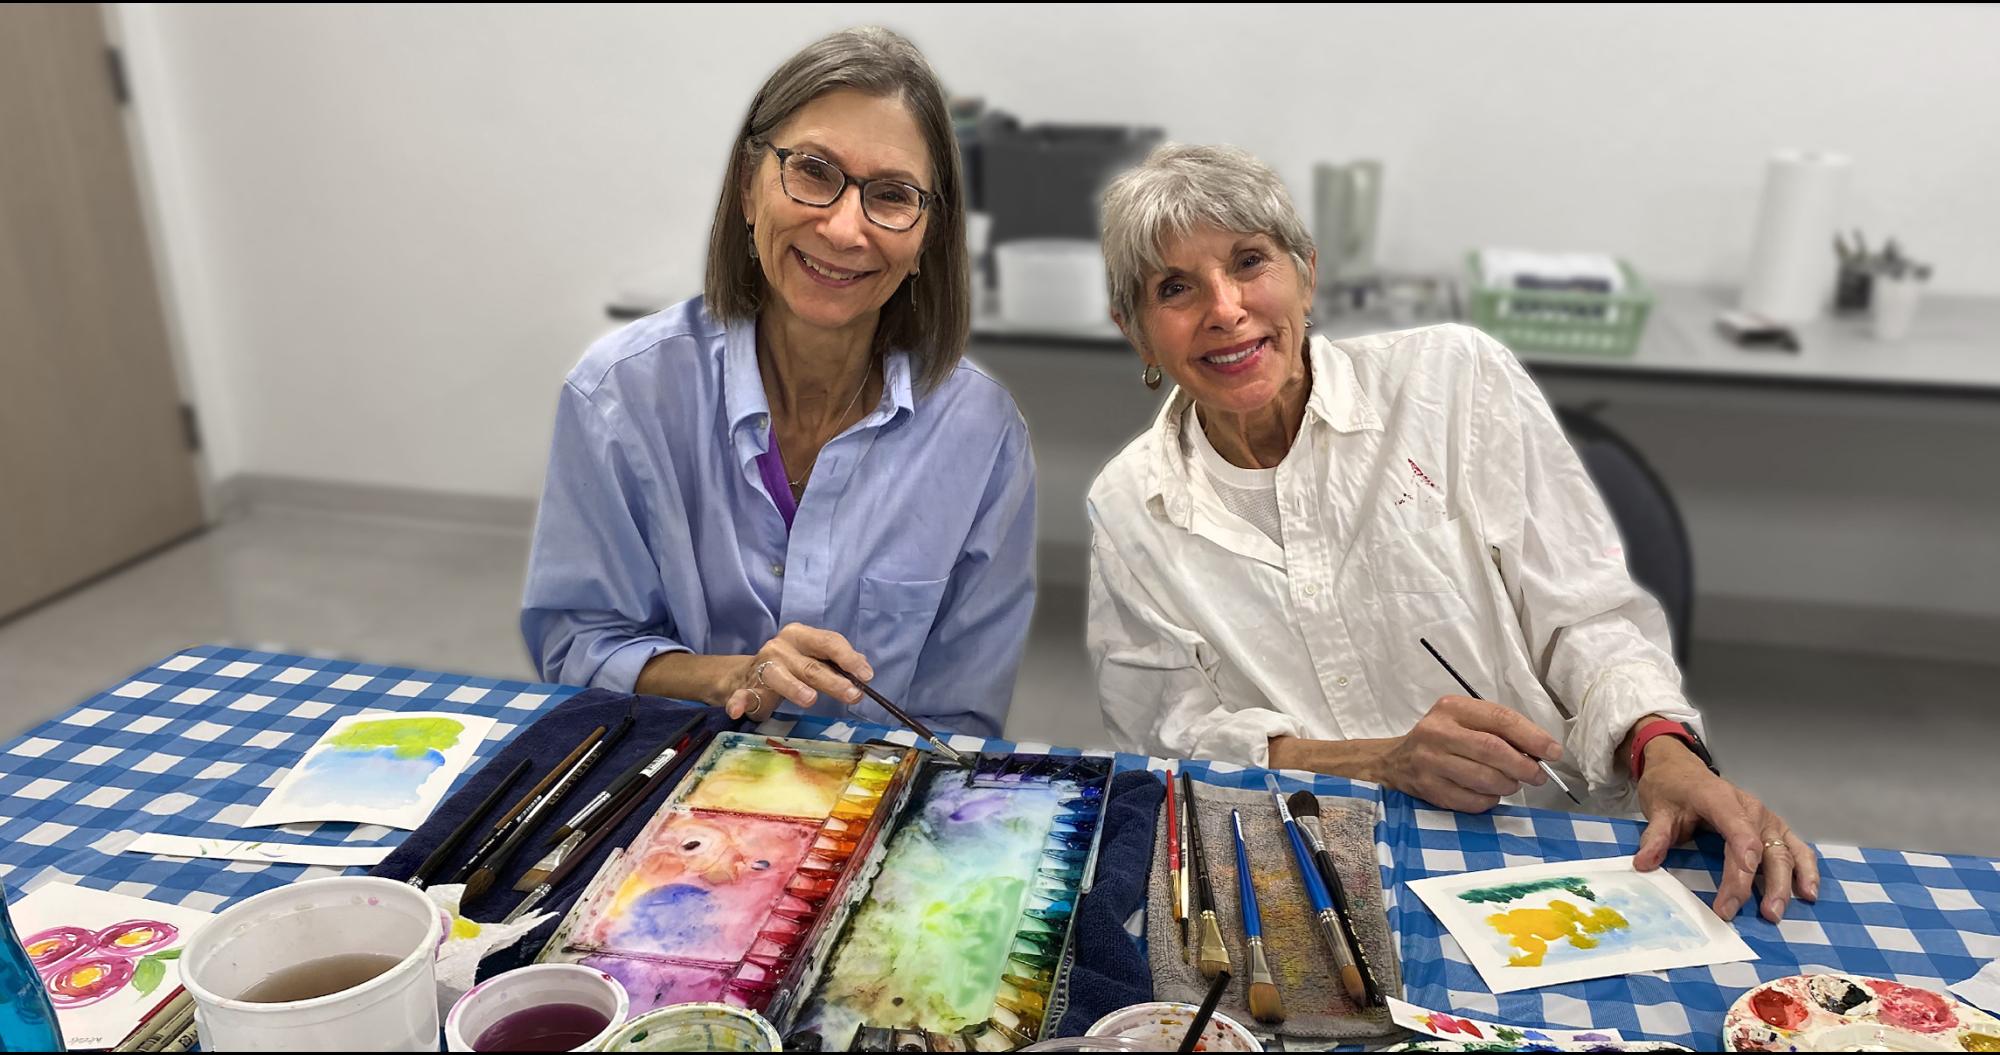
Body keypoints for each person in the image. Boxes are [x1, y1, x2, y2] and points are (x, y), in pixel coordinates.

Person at [1087, 143, 1816, 922]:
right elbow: (1171, 739)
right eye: (1176, 287)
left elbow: (1586, 617)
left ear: (1307, 274)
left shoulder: (1452, 382)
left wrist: (1663, 753)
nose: (1225, 307)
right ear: (1136, 332)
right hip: (1304, 873)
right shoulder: (1132, 503)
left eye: (1250, 262)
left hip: (1536, 842)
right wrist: (1383, 762)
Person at [522, 27, 1034, 738]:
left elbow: (959, 719)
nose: (844, 228)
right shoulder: (620, 395)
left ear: (926, 240)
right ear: (747, 189)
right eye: (814, 171)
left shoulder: (982, 434)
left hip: (876, 800)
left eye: (891, 195)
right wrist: (730, 675)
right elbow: (578, 645)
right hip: (662, 782)